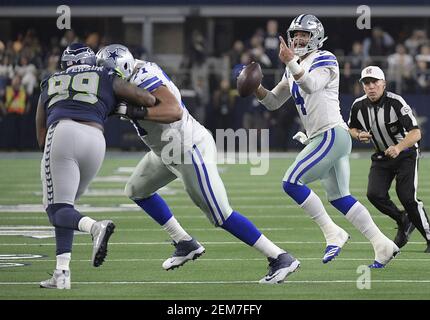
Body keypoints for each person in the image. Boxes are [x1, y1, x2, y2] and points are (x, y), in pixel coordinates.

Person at [96, 44, 300, 284]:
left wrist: (133, 111)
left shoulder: (143, 77)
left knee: (221, 215)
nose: (110, 82)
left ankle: (280, 257)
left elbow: (173, 111)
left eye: (113, 77)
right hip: (166, 151)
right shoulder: (129, 73)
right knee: (136, 190)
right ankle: (184, 242)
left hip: (188, 149)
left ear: (125, 70)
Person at [253, 14, 399, 268]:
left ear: (316, 37)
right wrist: (254, 86)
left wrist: (291, 63)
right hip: (324, 136)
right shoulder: (294, 65)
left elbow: (310, 84)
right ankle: (382, 244)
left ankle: (333, 233)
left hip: (332, 134)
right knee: (340, 197)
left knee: (291, 182)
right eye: (295, 34)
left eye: (304, 34)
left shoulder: (325, 57)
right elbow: (273, 102)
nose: (298, 38)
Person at [35, 43, 157, 289]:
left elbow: (40, 132)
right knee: (66, 208)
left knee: (56, 209)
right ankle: (62, 273)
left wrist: (51, 152)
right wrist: (118, 107)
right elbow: (148, 99)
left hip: (63, 132)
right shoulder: (105, 74)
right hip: (96, 140)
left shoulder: (51, 80)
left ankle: (95, 227)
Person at [348, 66, 430, 252]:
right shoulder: (358, 105)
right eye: (366, 83)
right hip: (381, 155)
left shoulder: (396, 102)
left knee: (407, 197)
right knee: (374, 194)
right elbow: (351, 127)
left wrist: (399, 147)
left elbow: (416, 133)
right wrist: (358, 134)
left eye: (375, 82)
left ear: (383, 83)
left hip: (405, 153)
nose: (371, 87)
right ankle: (403, 219)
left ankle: (428, 235)